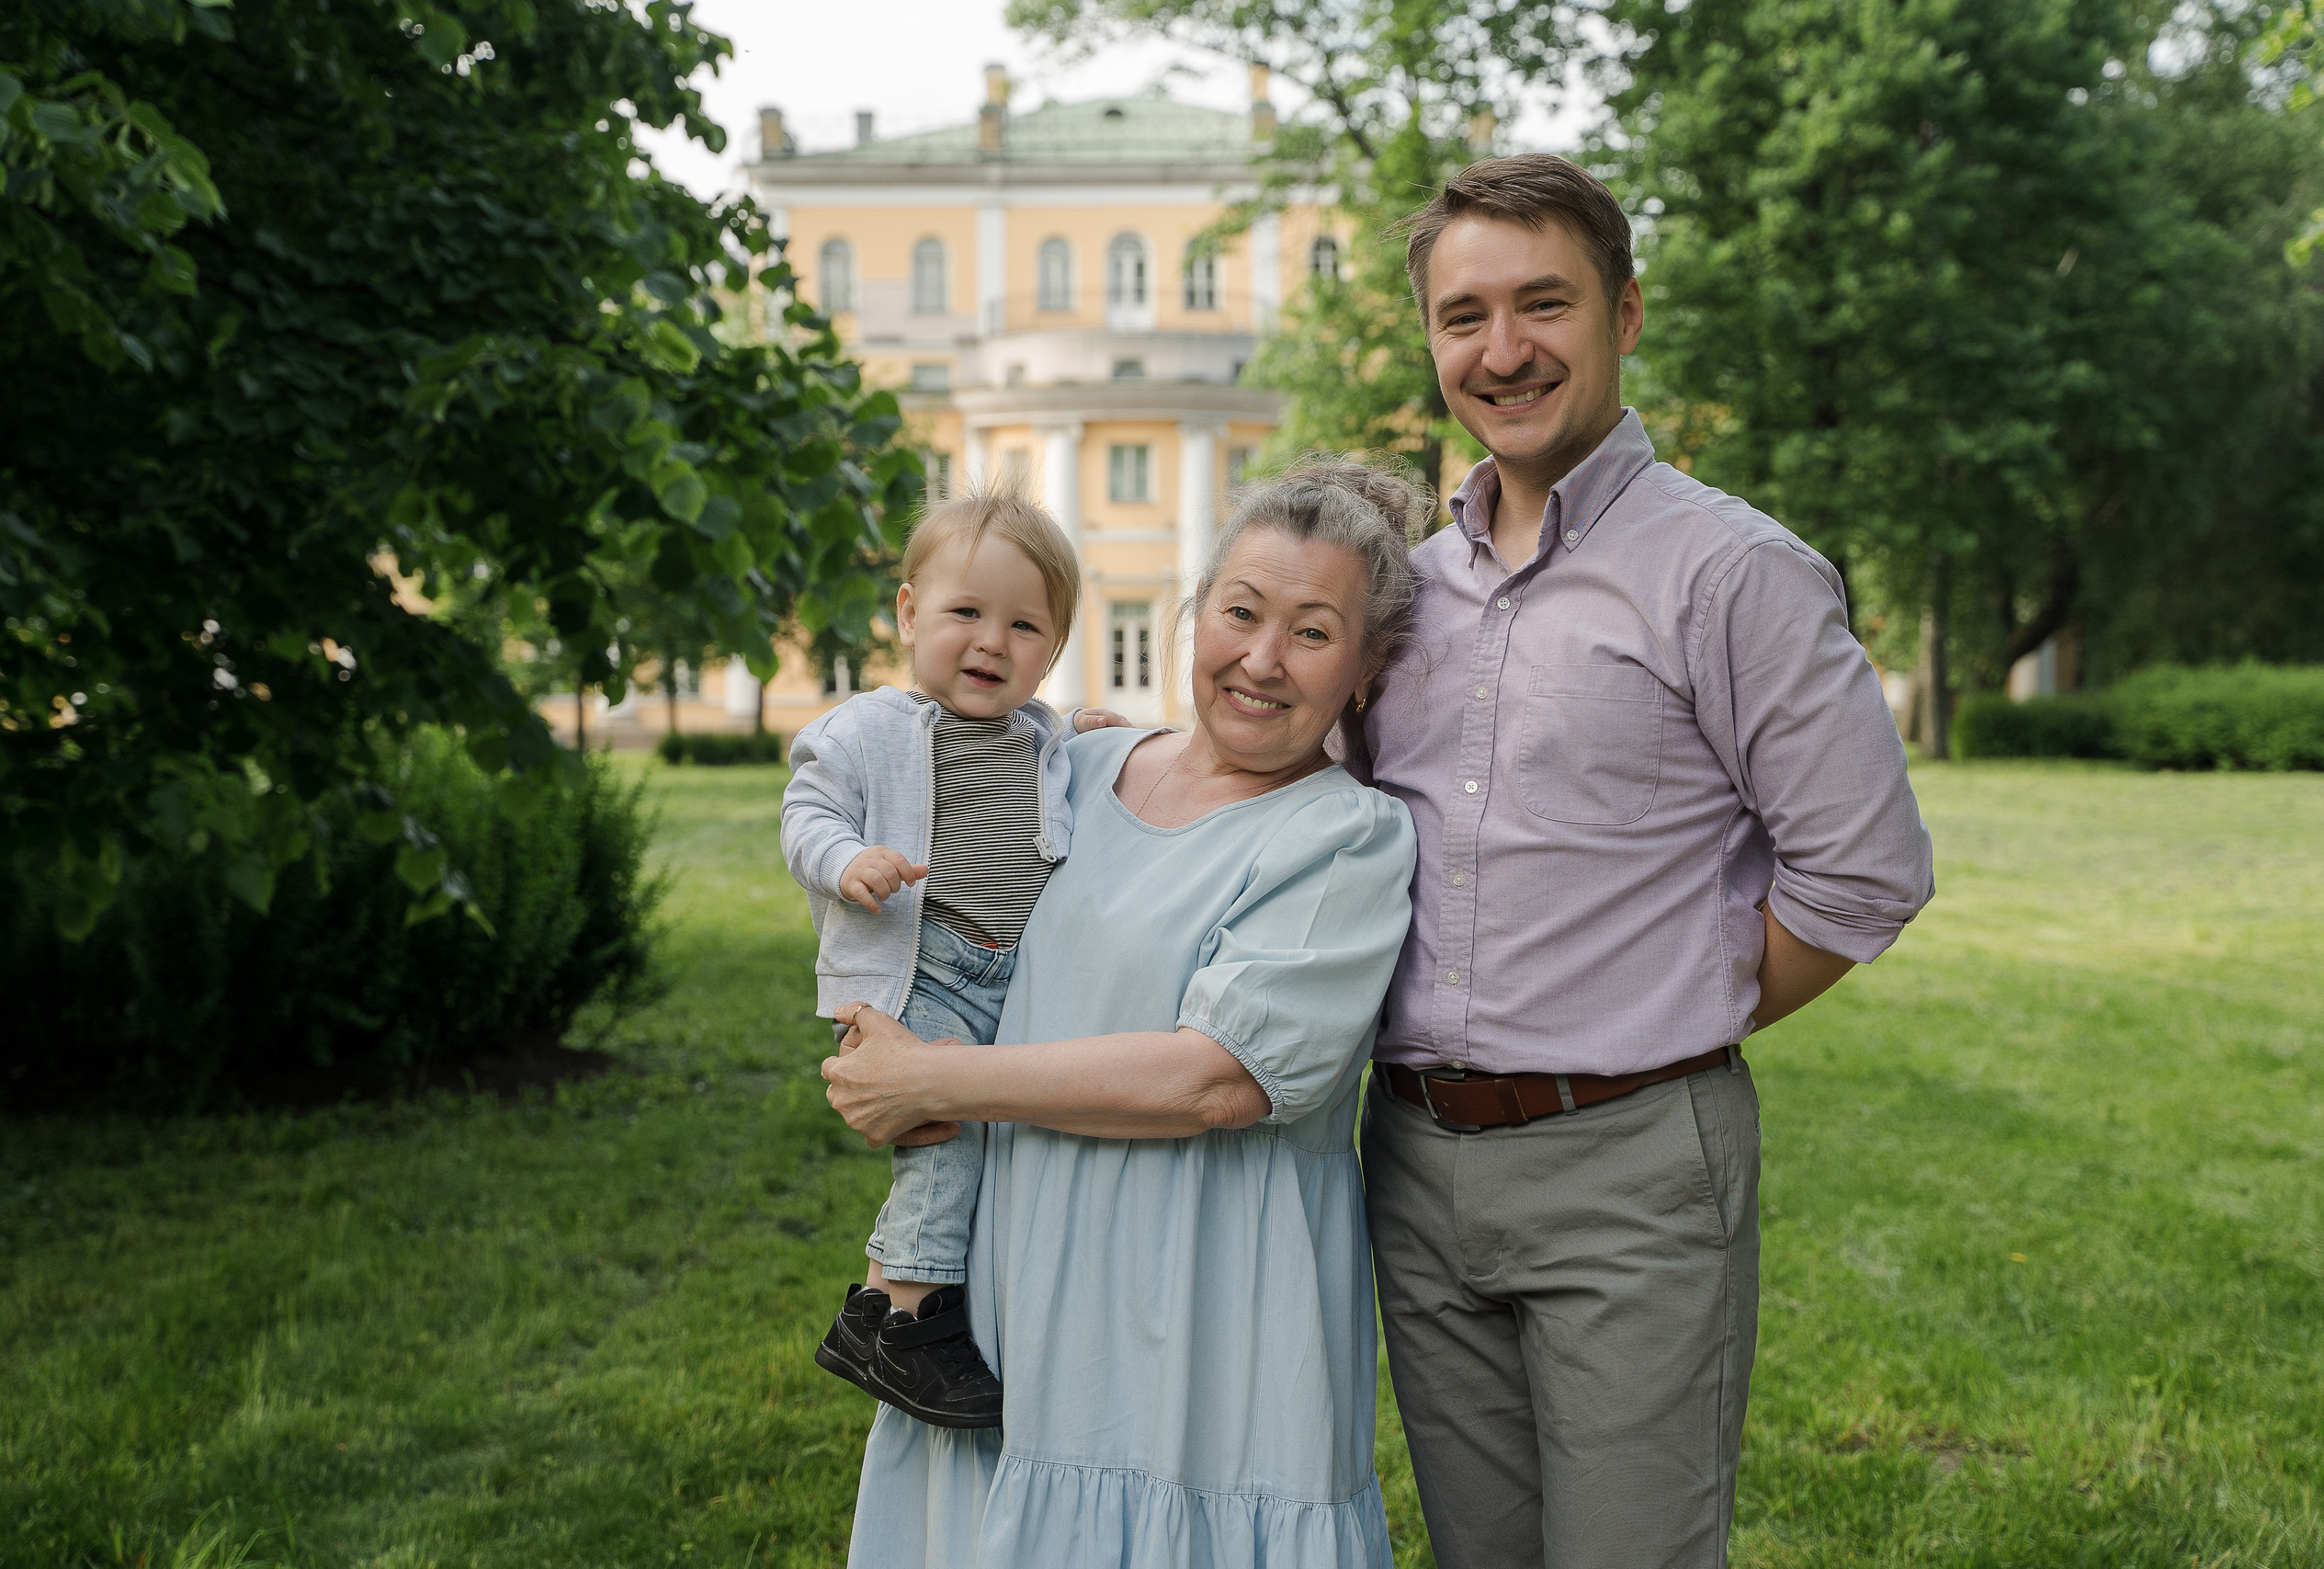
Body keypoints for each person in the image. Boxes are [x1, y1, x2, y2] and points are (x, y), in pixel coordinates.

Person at [1355, 154, 1937, 1569]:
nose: (1503, 351)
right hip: (1412, 1164)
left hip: (1632, 1168)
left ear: (1623, 311)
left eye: (1542, 303)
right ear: (1431, 339)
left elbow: (1864, 873)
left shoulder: (1734, 572)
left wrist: (1661, 1016)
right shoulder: (1400, 591)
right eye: (1463, 316)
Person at [818, 459, 1425, 1568]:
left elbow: (1215, 1080)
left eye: (1312, 633)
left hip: (1201, 1304)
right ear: (1193, 613)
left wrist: (933, 1081)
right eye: (1239, 613)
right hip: (1015, 1282)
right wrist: (876, 1037)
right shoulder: (1075, 769)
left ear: (1367, 668)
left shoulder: (1343, 837)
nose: (1259, 660)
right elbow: (921, 889)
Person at [781, 482, 1089, 1428]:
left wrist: (1110, 741)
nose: (992, 643)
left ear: (1054, 650)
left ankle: (900, 1307)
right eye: (965, 613)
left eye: (1024, 627)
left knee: (994, 1140)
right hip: (923, 969)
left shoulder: (1046, 740)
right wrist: (848, 862)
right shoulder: (869, 728)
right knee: (943, 1145)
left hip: (1009, 980)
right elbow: (805, 814)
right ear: (909, 613)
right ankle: (905, 1322)